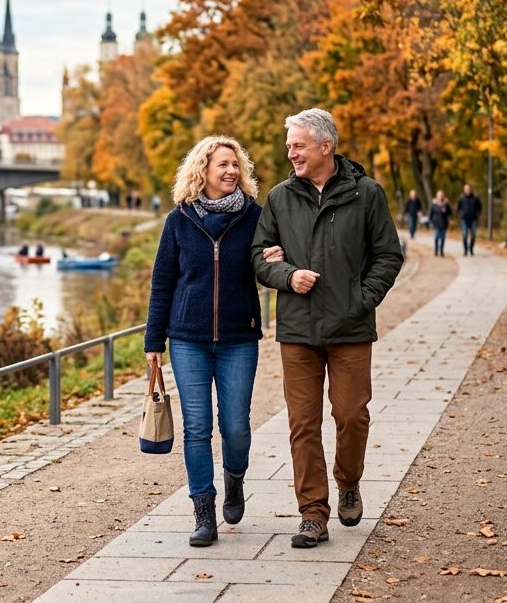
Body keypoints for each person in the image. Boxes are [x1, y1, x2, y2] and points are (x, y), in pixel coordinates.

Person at [251, 108, 404, 550]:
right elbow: (259, 255)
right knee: (303, 423)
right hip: (298, 330)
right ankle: (312, 514)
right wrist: (286, 277)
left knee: (351, 414)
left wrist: (361, 299)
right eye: (289, 146)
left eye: (298, 145)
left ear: (325, 146)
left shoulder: (367, 194)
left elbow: (388, 256)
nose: (291, 153)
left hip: (350, 327)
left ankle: (349, 481)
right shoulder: (280, 198)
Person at [146, 134, 265, 548]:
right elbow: (162, 283)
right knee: (197, 428)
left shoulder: (255, 217)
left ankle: (234, 478)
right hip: (187, 339)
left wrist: (279, 258)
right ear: (204, 171)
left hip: (239, 337)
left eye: (236, 165)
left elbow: (270, 263)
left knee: (235, 427)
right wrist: (152, 342)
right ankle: (203, 511)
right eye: (223, 165)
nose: (232, 171)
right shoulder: (179, 220)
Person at [457, 183, 482, 256]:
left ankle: (471, 249)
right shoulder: (461, 198)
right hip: (464, 219)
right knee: (464, 235)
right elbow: (458, 208)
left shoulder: (475, 198)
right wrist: (461, 214)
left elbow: (480, 207)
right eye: (466, 189)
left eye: (469, 189)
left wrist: (477, 214)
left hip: (473, 219)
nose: (467, 190)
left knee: (473, 235)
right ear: (464, 190)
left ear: (471, 189)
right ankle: (465, 249)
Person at [428, 190, 451, 257]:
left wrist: (450, 220)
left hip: (444, 224)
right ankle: (436, 250)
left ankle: (441, 251)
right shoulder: (434, 204)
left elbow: (450, 213)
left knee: (443, 238)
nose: (440, 197)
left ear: (443, 196)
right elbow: (430, 214)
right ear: (437, 196)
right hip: (436, 224)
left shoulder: (446, 204)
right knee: (436, 238)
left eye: (441, 195)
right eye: (439, 195)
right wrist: (430, 222)